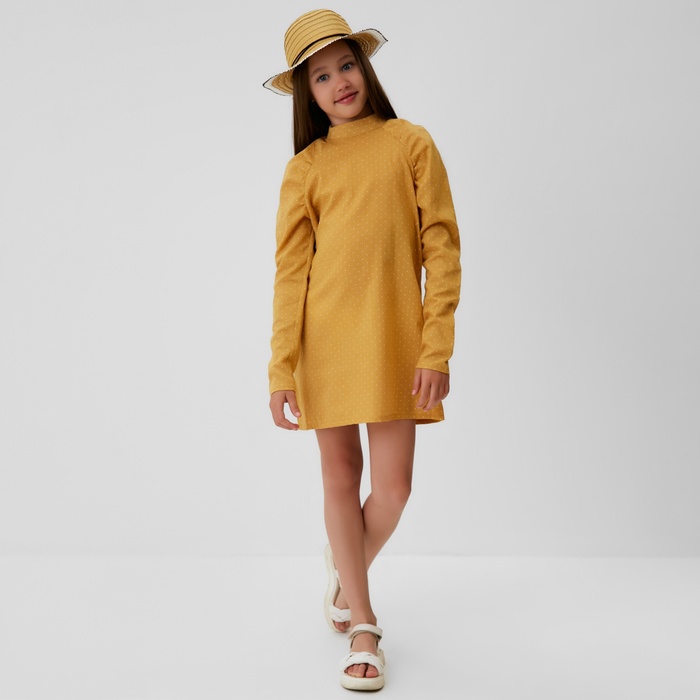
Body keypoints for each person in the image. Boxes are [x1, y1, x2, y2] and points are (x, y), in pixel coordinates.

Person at [263, 9, 461, 692]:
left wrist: (436, 348)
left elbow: (442, 248)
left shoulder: (410, 143)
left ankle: (347, 570)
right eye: (321, 76)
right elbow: (291, 274)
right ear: (306, 94)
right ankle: (364, 624)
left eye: (346, 65)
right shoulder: (306, 169)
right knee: (341, 478)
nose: (339, 82)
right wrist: (280, 367)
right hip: (325, 344)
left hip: (396, 341)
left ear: (365, 68)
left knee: (395, 487)